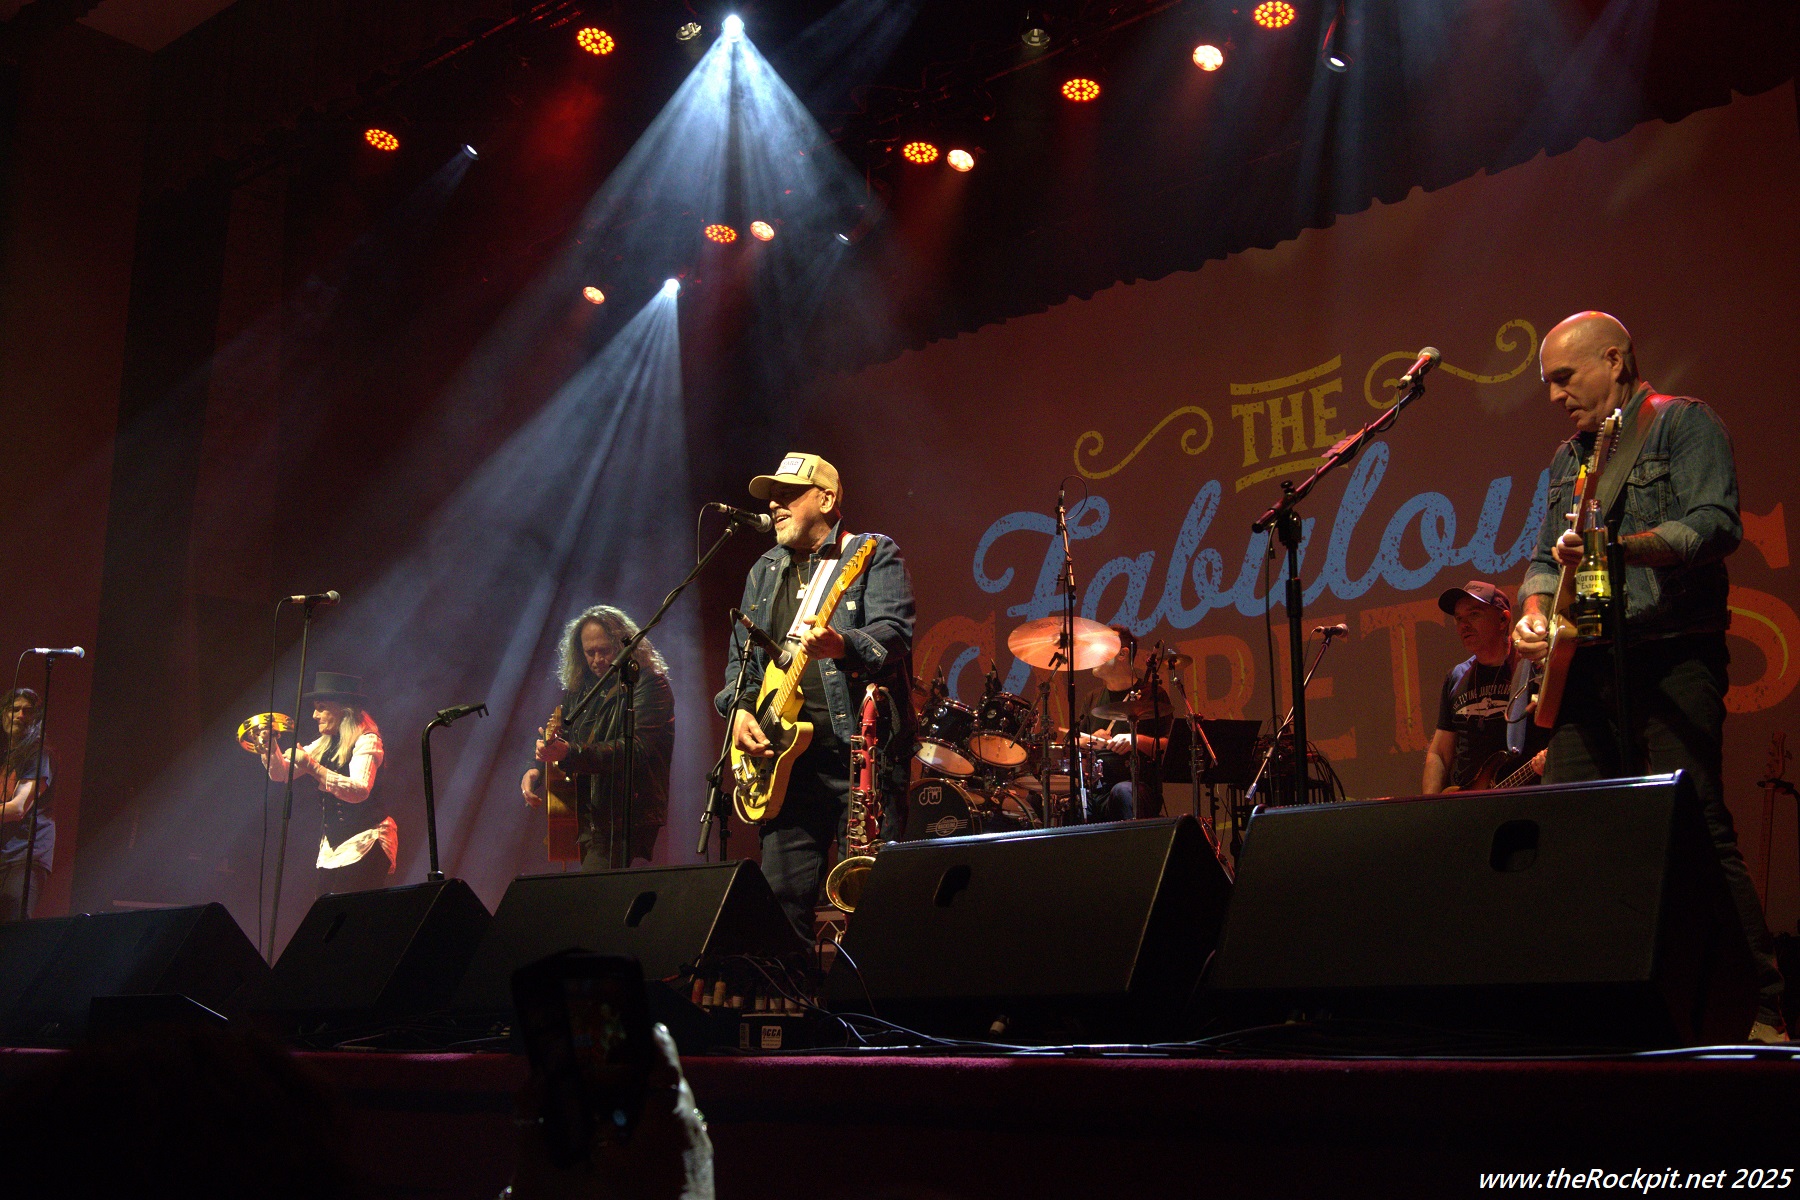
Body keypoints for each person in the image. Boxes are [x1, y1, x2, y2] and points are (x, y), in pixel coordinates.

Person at [1511, 310, 1785, 1042]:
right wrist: (1534, 612)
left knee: (1694, 826)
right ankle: (1593, 1008)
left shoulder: (1682, 424)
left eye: (1564, 377)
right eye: (1548, 383)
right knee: (1566, 829)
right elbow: (1542, 559)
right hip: (1587, 663)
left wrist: (1615, 548)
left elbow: (1714, 525)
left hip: (1671, 651)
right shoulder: (1566, 459)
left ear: (1614, 360)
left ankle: (1759, 1007)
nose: (1555, 396)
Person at [718, 451, 916, 938]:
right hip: (788, 766)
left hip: (861, 762)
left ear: (826, 500)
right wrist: (739, 710)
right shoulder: (764, 570)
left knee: (871, 907)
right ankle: (794, 990)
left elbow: (894, 632)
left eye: (788, 494)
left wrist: (841, 644)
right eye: (772, 497)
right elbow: (743, 659)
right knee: (780, 905)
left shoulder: (871, 552)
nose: (775, 505)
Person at [523, 605, 674, 869]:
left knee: (592, 892)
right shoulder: (581, 690)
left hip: (627, 818)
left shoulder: (649, 684)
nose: (596, 660)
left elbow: (635, 750)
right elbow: (563, 734)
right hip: (589, 816)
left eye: (604, 650)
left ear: (623, 645)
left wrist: (569, 752)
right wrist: (537, 767)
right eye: (589, 652)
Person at [264, 671, 394, 895]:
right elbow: (282, 774)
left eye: (321, 707)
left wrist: (312, 766)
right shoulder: (325, 743)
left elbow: (360, 790)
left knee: (351, 907)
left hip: (366, 840)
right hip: (335, 847)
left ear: (343, 710)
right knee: (327, 906)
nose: (314, 715)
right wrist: (269, 745)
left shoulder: (367, 740)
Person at [1423, 581, 1548, 793]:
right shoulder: (1456, 676)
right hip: (1467, 803)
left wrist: (1549, 759)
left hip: (1526, 796)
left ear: (1503, 620)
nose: (1464, 625)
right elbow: (1440, 753)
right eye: (1459, 618)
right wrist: (1430, 804)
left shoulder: (1534, 668)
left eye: (1474, 614)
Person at [1079, 628, 1171, 821]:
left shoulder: (1153, 695)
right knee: (1069, 799)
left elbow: (1168, 746)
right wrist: (1090, 740)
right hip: (1096, 787)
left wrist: (1136, 740)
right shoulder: (1092, 698)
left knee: (1123, 791)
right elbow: (1073, 741)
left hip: (1137, 786)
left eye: (1100, 648)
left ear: (1122, 654)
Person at [0, 688, 54, 920]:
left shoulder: (39, 754)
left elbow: (18, 808)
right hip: (4, 855)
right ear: (3, 715)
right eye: (14, 709)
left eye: (27, 711)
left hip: (25, 858)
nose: (20, 715)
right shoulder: (4, 756)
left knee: (13, 929)